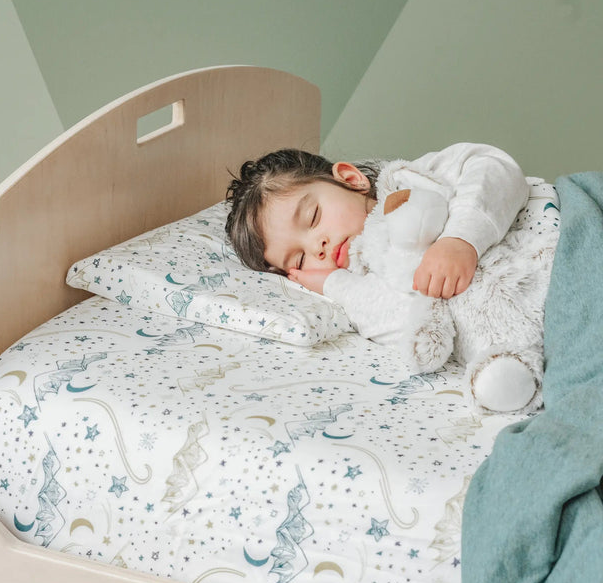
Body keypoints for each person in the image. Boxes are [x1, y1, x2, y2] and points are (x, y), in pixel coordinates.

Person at [226, 144, 552, 413]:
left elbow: (495, 167)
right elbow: (407, 323)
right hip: (539, 335)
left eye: (313, 217)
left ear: (351, 179)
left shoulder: (410, 181)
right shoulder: (364, 283)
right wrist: (333, 284)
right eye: (300, 259)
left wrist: (461, 239)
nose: (317, 246)